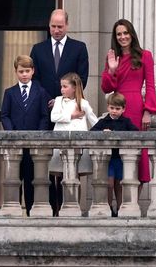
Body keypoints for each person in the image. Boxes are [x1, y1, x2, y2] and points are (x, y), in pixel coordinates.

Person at [30, 9, 89, 216]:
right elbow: (34, 80)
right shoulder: (38, 49)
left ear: (67, 26)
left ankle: (69, 205)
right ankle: (52, 207)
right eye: (53, 26)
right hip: (46, 113)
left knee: (70, 162)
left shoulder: (79, 48)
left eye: (60, 26)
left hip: (70, 116)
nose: (56, 30)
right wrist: (50, 101)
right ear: (49, 25)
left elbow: (82, 78)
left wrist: (64, 99)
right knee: (48, 163)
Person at [101, 19, 156, 193]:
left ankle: (134, 204)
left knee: (137, 155)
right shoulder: (112, 58)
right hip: (117, 107)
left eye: (126, 33)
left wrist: (148, 111)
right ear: (115, 37)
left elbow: (150, 85)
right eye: (119, 34)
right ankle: (119, 206)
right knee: (118, 155)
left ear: (131, 34)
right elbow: (106, 88)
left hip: (136, 108)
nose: (123, 37)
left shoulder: (145, 55)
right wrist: (111, 70)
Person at [1, 55, 50, 216]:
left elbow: (44, 116)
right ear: (16, 72)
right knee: (14, 180)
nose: (24, 74)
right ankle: (14, 211)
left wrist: (39, 135)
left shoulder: (40, 92)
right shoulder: (9, 92)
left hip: (33, 144)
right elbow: (5, 115)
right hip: (15, 144)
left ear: (33, 71)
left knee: (31, 179)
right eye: (21, 71)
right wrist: (11, 132)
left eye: (27, 71)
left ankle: (29, 211)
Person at [50, 73, 98, 214]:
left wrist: (104, 128)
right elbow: (54, 117)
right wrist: (72, 116)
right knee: (60, 177)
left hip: (78, 145)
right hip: (60, 143)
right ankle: (60, 208)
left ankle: (75, 207)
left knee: (75, 176)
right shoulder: (58, 100)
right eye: (61, 87)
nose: (62, 90)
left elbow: (93, 120)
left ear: (74, 87)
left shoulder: (83, 103)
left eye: (65, 87)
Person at [90, 92, 138, 217]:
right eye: (112, 108)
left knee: (120, 185)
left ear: (123, 109)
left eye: (117, 109)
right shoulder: (104, 121)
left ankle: (121, 208)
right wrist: (102, 131)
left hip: (121, 159)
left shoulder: (126, 121)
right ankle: (109, 207)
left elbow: (136, 132)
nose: (114, 111)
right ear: (108, 107)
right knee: (109, 184)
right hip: (109, 159)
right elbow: (92, 132)